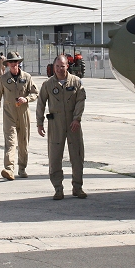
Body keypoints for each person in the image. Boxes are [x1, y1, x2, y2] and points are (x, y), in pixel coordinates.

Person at [36, 54, 87, 200]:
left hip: (73, 124)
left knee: (77, 156)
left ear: (67, 66)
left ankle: (78, 187)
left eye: (62, 66)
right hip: (55, 124)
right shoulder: (48, 84)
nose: (59, 69)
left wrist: (77, 118)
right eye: (57, 66)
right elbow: (41, 104)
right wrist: (39, 123)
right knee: (55, 157)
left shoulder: (76, 82)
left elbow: (81, 100)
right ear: (53, 67)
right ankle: (58, 188)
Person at [0, 51, 39, 180]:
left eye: (15, 62)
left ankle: (22, 168)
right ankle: (9, 169)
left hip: (23, 114)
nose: (13, 64)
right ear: (7, 64)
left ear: (18, 63)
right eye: (10, 62)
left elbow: (35, 93)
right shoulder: (3, 79)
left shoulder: (27, 77)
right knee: (10, 142)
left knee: (23, 142)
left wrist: (27, 99)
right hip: (9, 114)